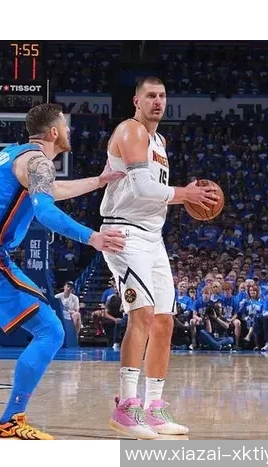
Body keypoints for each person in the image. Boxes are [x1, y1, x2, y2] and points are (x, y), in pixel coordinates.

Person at [0, 103, 126, 440]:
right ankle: (10, 420)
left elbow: (50, 191)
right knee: (51, 331)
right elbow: (45, 212)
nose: (69, 131)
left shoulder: (12, 154)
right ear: (54, 131)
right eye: (65, 125)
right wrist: (92, 237)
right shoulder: (38, 161)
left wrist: (99, 181)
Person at [99, 77, 219, 439]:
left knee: (165, 320)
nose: (158, 101)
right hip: (124, 233)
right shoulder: (131, 131)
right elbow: (142, 188)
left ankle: (154, 408)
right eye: (151, 95)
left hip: (152, 237)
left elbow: (155, 192)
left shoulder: (159, 142)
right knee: (143, 314)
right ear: (136, 100)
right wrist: (186, 194)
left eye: (163, 96)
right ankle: (126, 407)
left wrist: (184, 196)